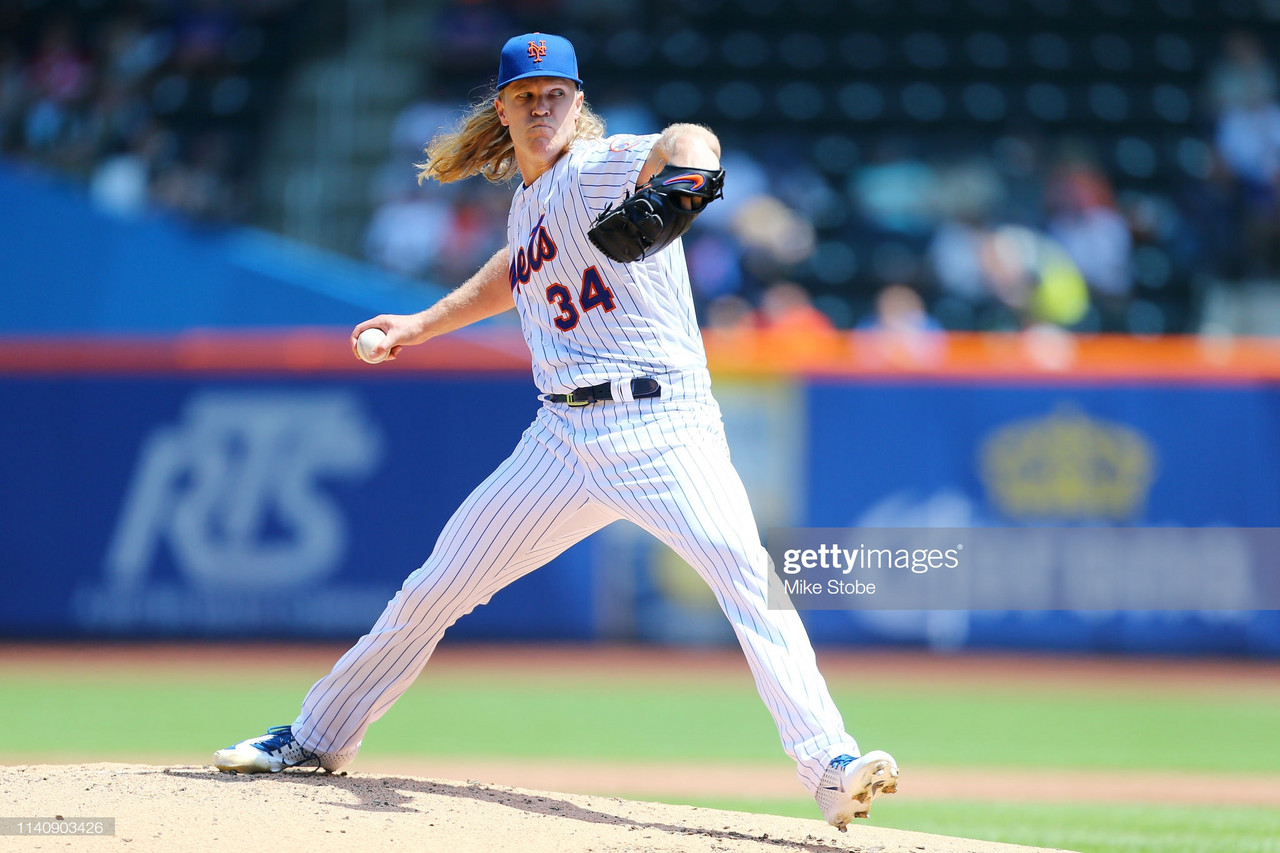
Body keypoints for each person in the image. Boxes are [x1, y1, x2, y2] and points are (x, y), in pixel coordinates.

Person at [212, 32, 898, 830]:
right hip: (559, 440)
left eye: (556, 94)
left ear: (579, 103)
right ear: (502, 110)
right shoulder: (531, 199)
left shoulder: (598, 164)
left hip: (662, 425)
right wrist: (422, 324)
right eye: (526, 96)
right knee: (435, 587)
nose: (542, 107)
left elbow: (689, 141)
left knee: (748, 580)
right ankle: (319, 737)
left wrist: (688, 180)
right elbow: (516, 266)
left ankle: (831, 765)